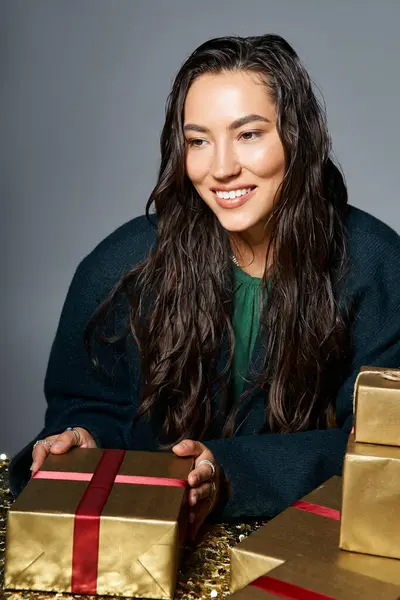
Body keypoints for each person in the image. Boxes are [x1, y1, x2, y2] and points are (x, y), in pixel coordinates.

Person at [9, 34, 400, 540]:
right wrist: (80, 440)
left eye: (248, 134)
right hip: (144, 542)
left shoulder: (378, 265)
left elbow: (380, 445)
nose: (220, 168)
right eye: (198, 141)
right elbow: (88, 405)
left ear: (299, 137)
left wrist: (231, 472)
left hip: (311, 545)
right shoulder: (122, 265)